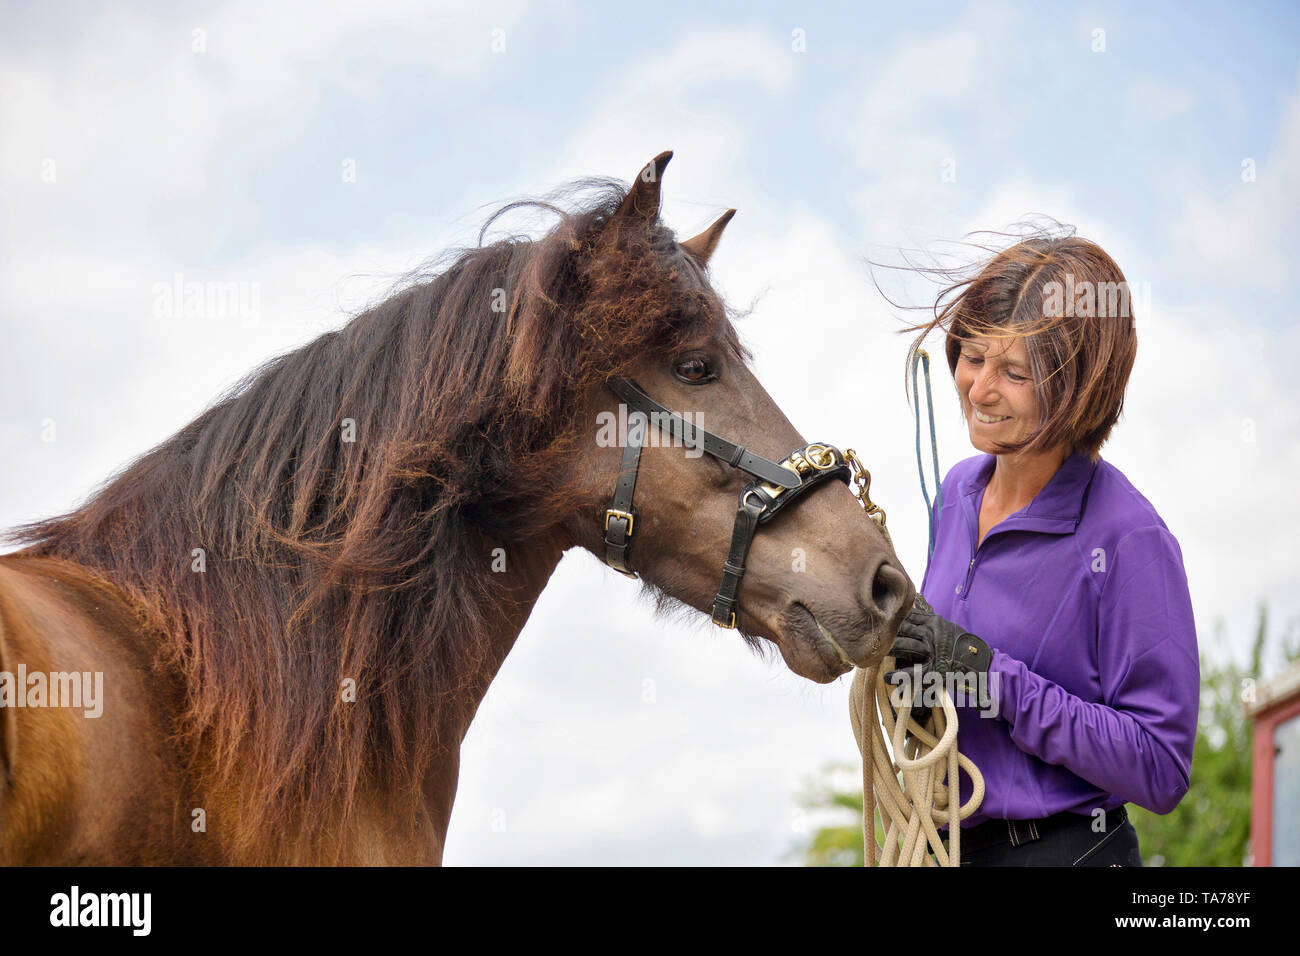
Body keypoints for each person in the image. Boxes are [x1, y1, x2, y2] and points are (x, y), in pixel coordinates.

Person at [885, 232, 1199, 866]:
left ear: (1078, 391)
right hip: (950, 847)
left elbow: (1162, 767)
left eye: (1014, 373)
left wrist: (990, 678)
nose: (977, 389)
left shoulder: (1128, 538)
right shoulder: (956, 494)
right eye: (972, 357)